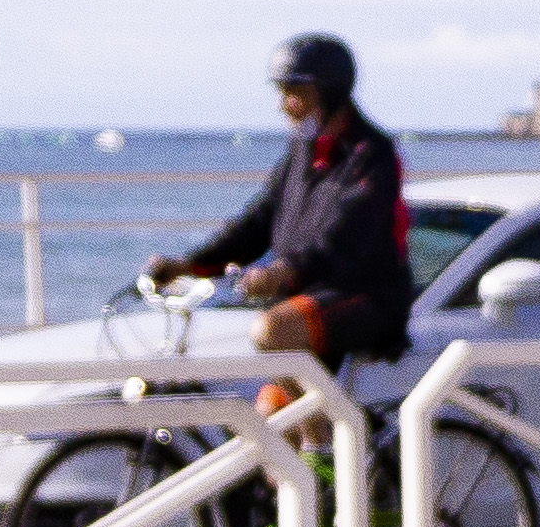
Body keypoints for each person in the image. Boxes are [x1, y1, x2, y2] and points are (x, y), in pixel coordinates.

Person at [152, 35, 411, 395]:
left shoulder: (371, 155)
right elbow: (259, 220)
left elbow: (348, 237)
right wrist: (188, 264)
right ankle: (323, 440)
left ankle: (322, 444)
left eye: (293, 91)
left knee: (272, 330)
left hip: (366, 298)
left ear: (329, 91)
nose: (283, 105)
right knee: (269, 423)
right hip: (307, 298)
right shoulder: (302, 150)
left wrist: (282, 270)